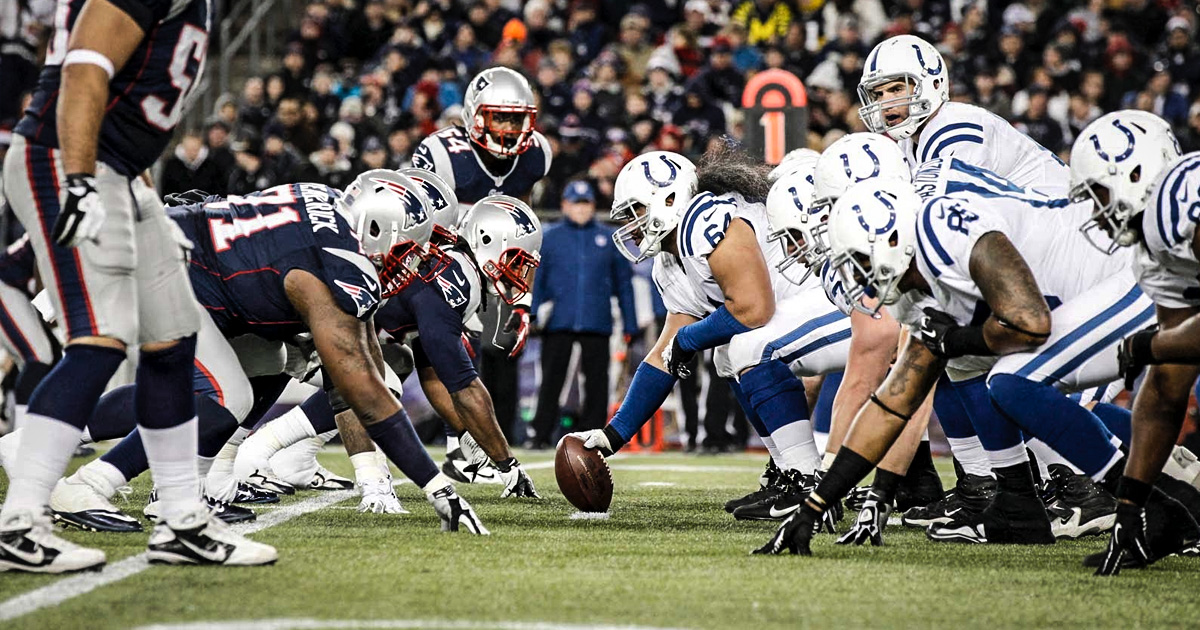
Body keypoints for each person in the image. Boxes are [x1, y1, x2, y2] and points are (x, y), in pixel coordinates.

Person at [755, 172, 1199, 556]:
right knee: (971, 366)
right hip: (1074, 305)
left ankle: (1159, 505)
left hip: (1120, 275)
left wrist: (956, 338)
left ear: (890, 238)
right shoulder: (915, 291)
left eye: (859, 262)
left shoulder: (943, 227)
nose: (858, 279)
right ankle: (1018, 500)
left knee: (1012, 381)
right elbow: (894, 402)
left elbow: (1030, 324)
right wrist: (816, 505)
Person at [0, 0, 279, 572]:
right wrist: (78, 180)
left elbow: (134, 117)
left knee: (173, 336)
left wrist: (145, 199)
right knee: (102, 336)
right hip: (68, 160)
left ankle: (181, 522)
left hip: (118, 174)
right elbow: (84, 69)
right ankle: (19, 521)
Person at [50, 175, 490, 535]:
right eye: (410, 253)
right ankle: (90, 483)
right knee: (224, 395)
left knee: (258, 372)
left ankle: (177, 495)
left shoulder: (327, 200)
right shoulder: (340, 264)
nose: (411, 268)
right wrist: (436, 487)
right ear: (378, 230)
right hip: (165, 267)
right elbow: (365, 392)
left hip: (180, 257)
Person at [569, 147, 852, 525]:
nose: (631, 226)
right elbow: (665, 352)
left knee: (747, 346)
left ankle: (806, 482)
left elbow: (753, 309)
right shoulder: (670, 263)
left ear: (669, 199)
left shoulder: (702, 219)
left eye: (636, 211)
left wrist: (688, 341)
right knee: (729, 353)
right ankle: (790, 474)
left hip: (840, 295)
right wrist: (614, 433)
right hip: (808, 307)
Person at [1070, 110, 1200, 573]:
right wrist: (1131, 507)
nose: (1095, 212)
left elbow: (1165, 349)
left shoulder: (1182, 197)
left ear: (1134, 174)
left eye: (1097, 194)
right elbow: (1167, 387)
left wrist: (1147, 346)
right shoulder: (1154, 252)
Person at [412, 66, 553, 449]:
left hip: (498, 272)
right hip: (443, 268)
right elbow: (419, 221)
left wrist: (521, 298)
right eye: (500, 117)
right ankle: (458, 443)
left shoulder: (536, 154)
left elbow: (522, 227)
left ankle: (495, 442)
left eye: (516, 118)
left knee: (502, 352)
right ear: (475, 114)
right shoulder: (443, 153)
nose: (508, 128)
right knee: (450, 361)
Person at [858, 34, 1067, 196]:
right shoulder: (908, 142)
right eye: (878, 94)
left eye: (896, 89)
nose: (885, 102)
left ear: (934, 83)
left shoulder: (955, 129)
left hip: (1064, 216)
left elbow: (956, 220)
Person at [527, 180, 638, 448]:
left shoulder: (608, 239)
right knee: (551, 380)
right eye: (575, 203)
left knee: (598, 383)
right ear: (564, 205)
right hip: (559, 320)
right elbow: (538, 281)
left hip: (596, 321)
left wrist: (630, 322)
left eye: (585, 203)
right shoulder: (550, 237)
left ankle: (593, 435)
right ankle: (541, 434)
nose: (580, 208)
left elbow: (624, 284)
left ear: (593, 205)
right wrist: (530, 315)